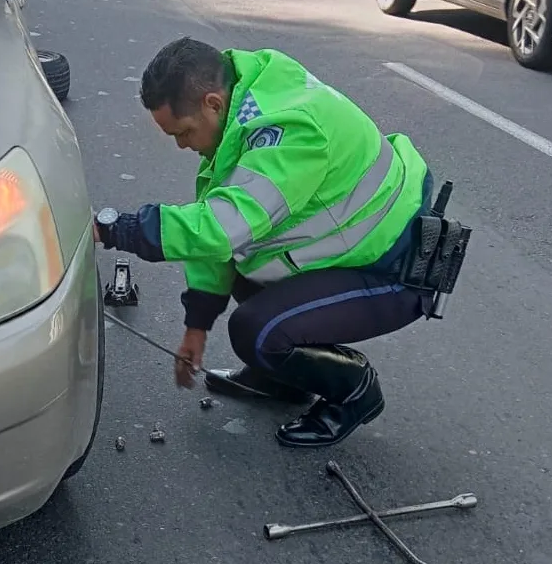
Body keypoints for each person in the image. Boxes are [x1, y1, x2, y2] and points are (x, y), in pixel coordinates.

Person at [92, 37, 435, 448]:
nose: (182, 145)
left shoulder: (290, 133)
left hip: (396, 270)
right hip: (356, 247)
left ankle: (354, 389)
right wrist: (196, 327)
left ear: (213, 104)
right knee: (246, 266)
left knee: (255, 330)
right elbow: (222, 240)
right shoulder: (246, 104)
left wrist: (118, 229)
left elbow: (221, 227)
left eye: (183, 132)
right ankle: (285, 379)